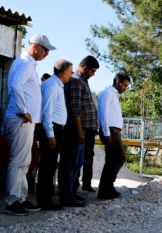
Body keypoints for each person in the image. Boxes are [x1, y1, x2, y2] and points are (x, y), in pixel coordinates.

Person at [4, 33, 55, 216]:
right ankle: (12, 201)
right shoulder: (26, 64)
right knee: (19, 161)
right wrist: (23, 109)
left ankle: (21, 198)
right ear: (36, 47)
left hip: (24, 120)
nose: (47, 54)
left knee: (24, 161)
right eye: (45, 50)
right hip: (21, 119)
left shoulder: (26, 63)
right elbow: (16, 86)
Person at [59, 55, 100, 207]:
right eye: (93, 71)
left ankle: (71, 192)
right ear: (85, 68)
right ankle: (66, 196)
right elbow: (75, 109)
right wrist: (79, 132)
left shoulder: (82, 80)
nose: (93, 74)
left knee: (77, 164)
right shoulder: (76, 81)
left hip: (83, 129)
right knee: (70, 163)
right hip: (76, 129)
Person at [35, 60, 73, 210]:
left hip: (56, 128)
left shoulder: (57, 85)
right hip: (51, 129)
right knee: (47, 165)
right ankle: (44, 200)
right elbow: (46, 112)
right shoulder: (51, 85)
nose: (71, 75)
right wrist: (50, 135)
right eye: (70, 72)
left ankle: (47, 198)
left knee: (50, 165)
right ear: (63, 72)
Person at [97, 73, 131, 199]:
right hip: (109, 131)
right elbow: (103, 114)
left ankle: (106, 188)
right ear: (117, 81)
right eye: (124, 85)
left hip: (114, 130)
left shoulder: (115, 95)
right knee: (119, 157)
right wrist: (106, 132)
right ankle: (106, 187)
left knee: (112, 159)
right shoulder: (108, 93)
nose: (125, 88)